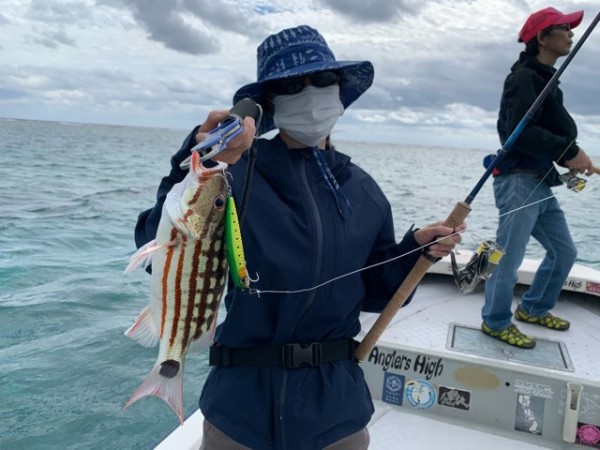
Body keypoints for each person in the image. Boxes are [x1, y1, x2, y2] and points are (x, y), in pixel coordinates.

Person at [135, 25, 463, 450]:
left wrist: (414, 251)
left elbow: (378, 294)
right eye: (291, 85)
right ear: (270, 102)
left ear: (339, 90)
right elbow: (155, 248)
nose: (309, 93)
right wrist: (196, 155)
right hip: (240, 414)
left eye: (322, 79)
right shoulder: (232, 173)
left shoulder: (365, 191)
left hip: (337, 415)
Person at [481, 7, 594, 349]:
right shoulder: (524, 78)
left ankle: (533, 309)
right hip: (519, 181)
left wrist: (567, 156)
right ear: (542, 38)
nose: (571, 34)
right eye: (564, 28)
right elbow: (519, 132)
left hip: (540, 181)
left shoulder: (546, 81)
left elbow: (543, 134)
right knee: (507, 258)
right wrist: (569, 151)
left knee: (564, 252)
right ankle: (495, 321)